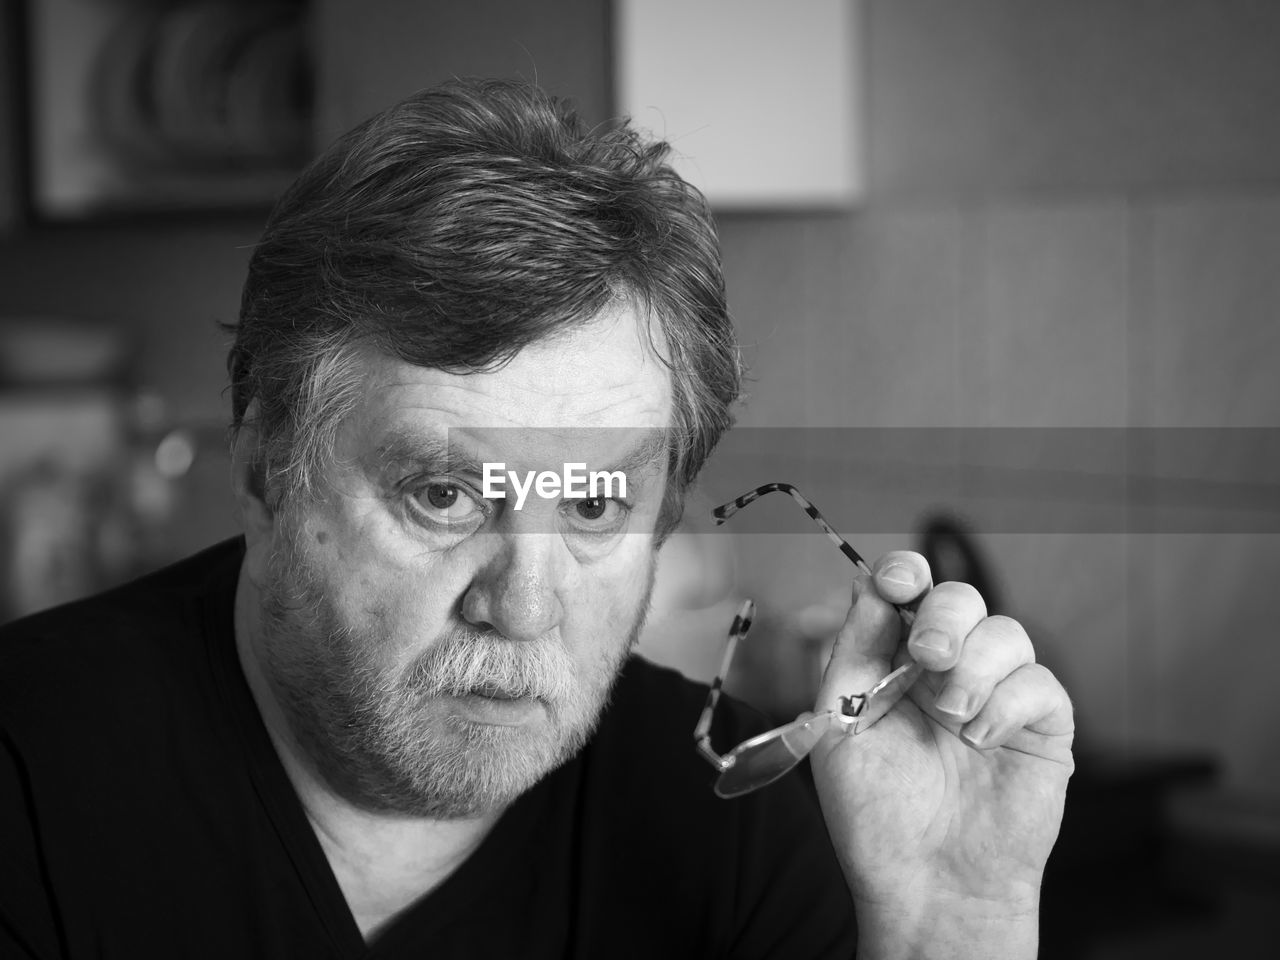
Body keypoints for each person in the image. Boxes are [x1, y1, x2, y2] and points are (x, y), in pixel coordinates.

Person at [0, 79, 1073, 959]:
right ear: (264, 469)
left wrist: (948, 930)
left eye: (596, 502)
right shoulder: (33, 790)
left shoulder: (749, 829)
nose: (522, 605)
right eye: (443, 495)